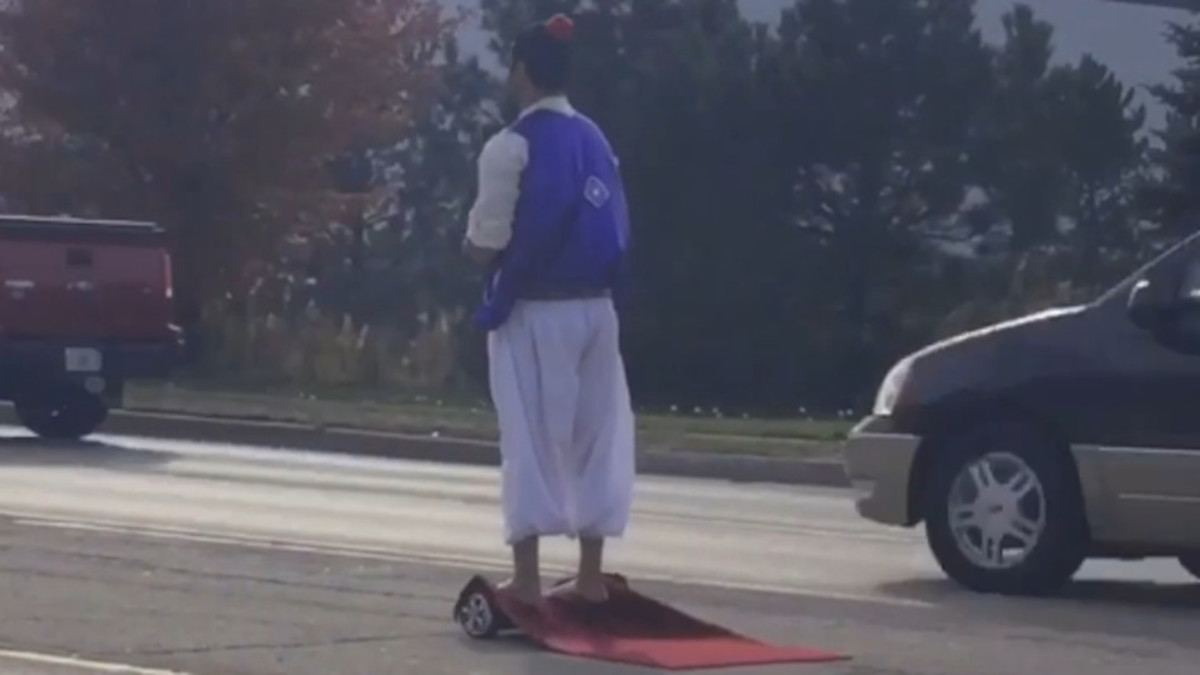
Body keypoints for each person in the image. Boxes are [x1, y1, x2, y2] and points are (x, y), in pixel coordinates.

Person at [461, 13, 635, 605]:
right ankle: (589, 577)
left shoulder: (511, 145)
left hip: (535, 310)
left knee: (529, 438)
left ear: (520, 70)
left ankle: (529, 578)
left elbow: (488, 240)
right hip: (598, 308)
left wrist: (471, 249)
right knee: (597, 435)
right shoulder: (596, 138)